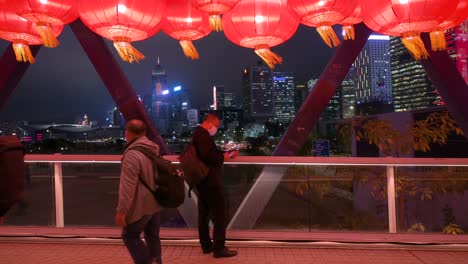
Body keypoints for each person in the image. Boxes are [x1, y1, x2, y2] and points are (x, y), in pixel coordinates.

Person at [115, 119, 163, 264]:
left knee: (130, 235)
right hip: (156, 201)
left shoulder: (132, 155)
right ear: (144, 133)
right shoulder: (153, 149)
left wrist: (122, 211)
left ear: (127, 133)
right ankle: (156, 261)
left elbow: (127, 186)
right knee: (152, 236)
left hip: (141, 205)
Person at [191, 113, 239, 258]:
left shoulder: (198, 134)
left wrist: (222, 153)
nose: (216, 129)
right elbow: (208, 156)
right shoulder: (203, 135)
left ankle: (206, 246)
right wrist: (224, 157)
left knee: (204, 214)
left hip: (202, 181)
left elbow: (207, 153)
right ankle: (219, 248)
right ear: (209, 123)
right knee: (219, 215)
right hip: (210, 181)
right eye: (216, 126)